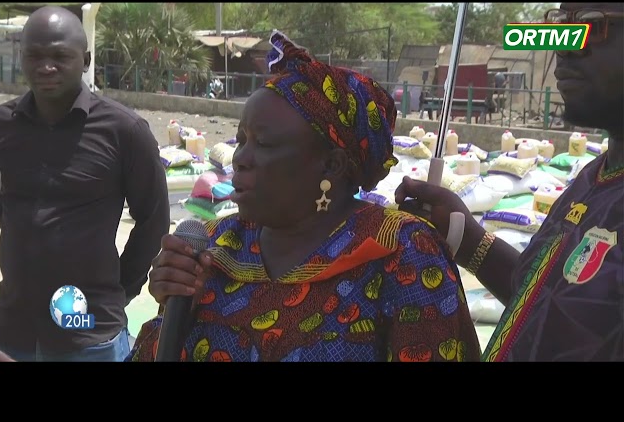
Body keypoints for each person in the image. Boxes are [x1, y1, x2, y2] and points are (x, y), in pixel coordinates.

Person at [127, 30, 481, 362]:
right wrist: (175, 312)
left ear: (331, 165)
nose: (240, 158)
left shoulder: (401, 252)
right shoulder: (215, 247)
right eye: (242, 139)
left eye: (263, 143)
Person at [395, 2, 624, 362]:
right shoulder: (593, 178)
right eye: (563, 25)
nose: (564, 46)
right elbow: (541, 298)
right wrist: (466, 238)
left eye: (592, 26)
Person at [0, 6, 170, 362]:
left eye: (59, 56)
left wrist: (119, 292)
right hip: (11, 328)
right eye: (34, 56)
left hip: (87, 332)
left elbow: (154, 220)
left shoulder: (124, 131)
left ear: (85, 60)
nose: (46, 66)